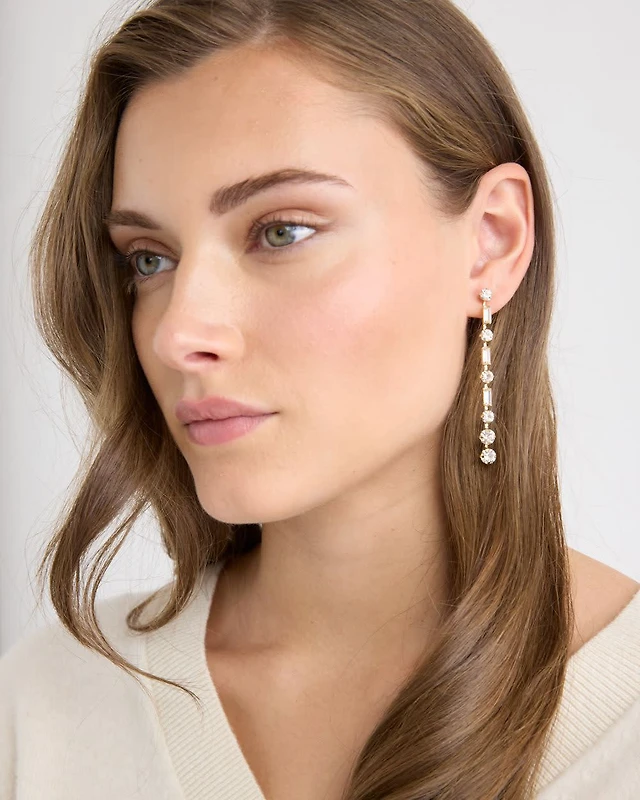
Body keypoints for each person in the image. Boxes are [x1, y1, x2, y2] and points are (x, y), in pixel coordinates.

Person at [1, 0, 638, 798]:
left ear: (493, 241)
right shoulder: (55, 706)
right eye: (150, 258)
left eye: (282, 232)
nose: (177, 333)